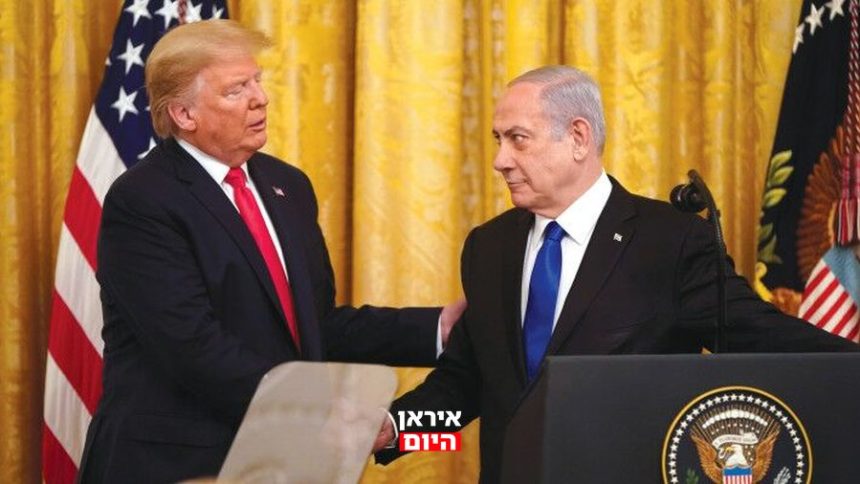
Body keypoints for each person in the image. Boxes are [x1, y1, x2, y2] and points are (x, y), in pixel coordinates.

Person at [373, 65, 859, 483]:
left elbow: (760, 336)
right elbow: (466, 382)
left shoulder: (670, 242)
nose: (501, 160)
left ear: (578, 137)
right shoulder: (488, 246)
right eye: (499, 141)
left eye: (518, 139)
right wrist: (395, 430)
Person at [77, 20, 465, 484]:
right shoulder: (144, 199)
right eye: (236, 89)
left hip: (278, 458)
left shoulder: (288, 185)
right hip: (178, 463)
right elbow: (191, 346)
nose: (260, 98)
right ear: (183, 114)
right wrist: (314, 411)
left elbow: (314, 326)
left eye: (257, 81)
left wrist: (437, 329)